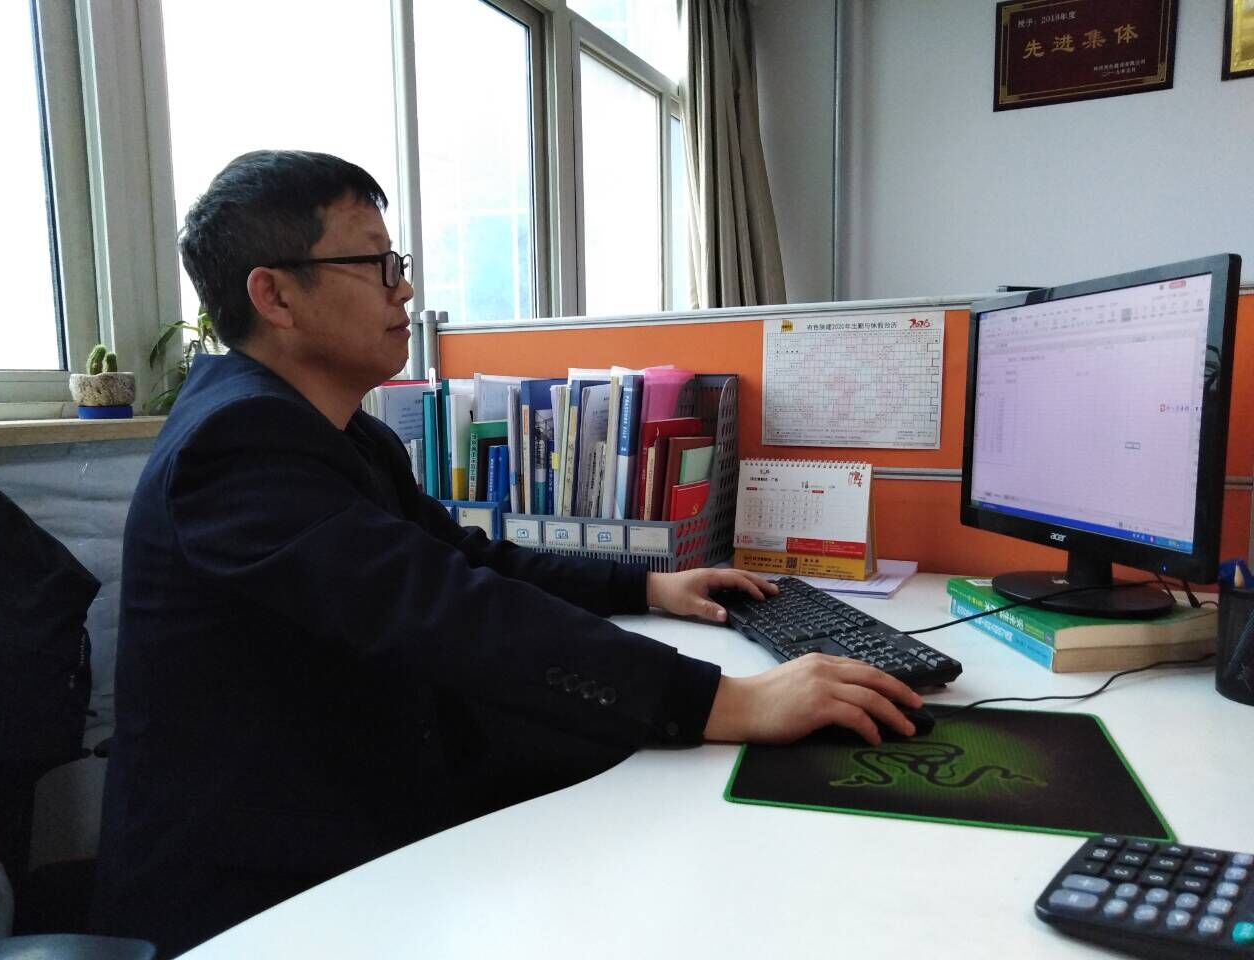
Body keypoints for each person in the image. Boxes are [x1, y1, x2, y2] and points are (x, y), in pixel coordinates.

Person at [96, 150, 922, 956]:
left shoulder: (341, 433)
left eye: (398, 263)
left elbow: (467, 558)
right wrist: (723, 702)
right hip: (262, 895)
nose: (404, 288)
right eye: (375, 265)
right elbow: (442, 607)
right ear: (273, 295)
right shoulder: (237, 444)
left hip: (363, 810)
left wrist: (650, 587)